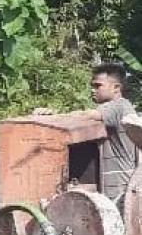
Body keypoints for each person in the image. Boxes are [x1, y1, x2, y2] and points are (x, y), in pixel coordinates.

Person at [35, 63, 138, 204]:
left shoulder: (119, 106)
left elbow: (88, 115)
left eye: (98, 86)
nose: (92, 90)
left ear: (116, 88)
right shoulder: (121, 107)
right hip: (120, 184)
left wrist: (54, 117)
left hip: (120, 186)